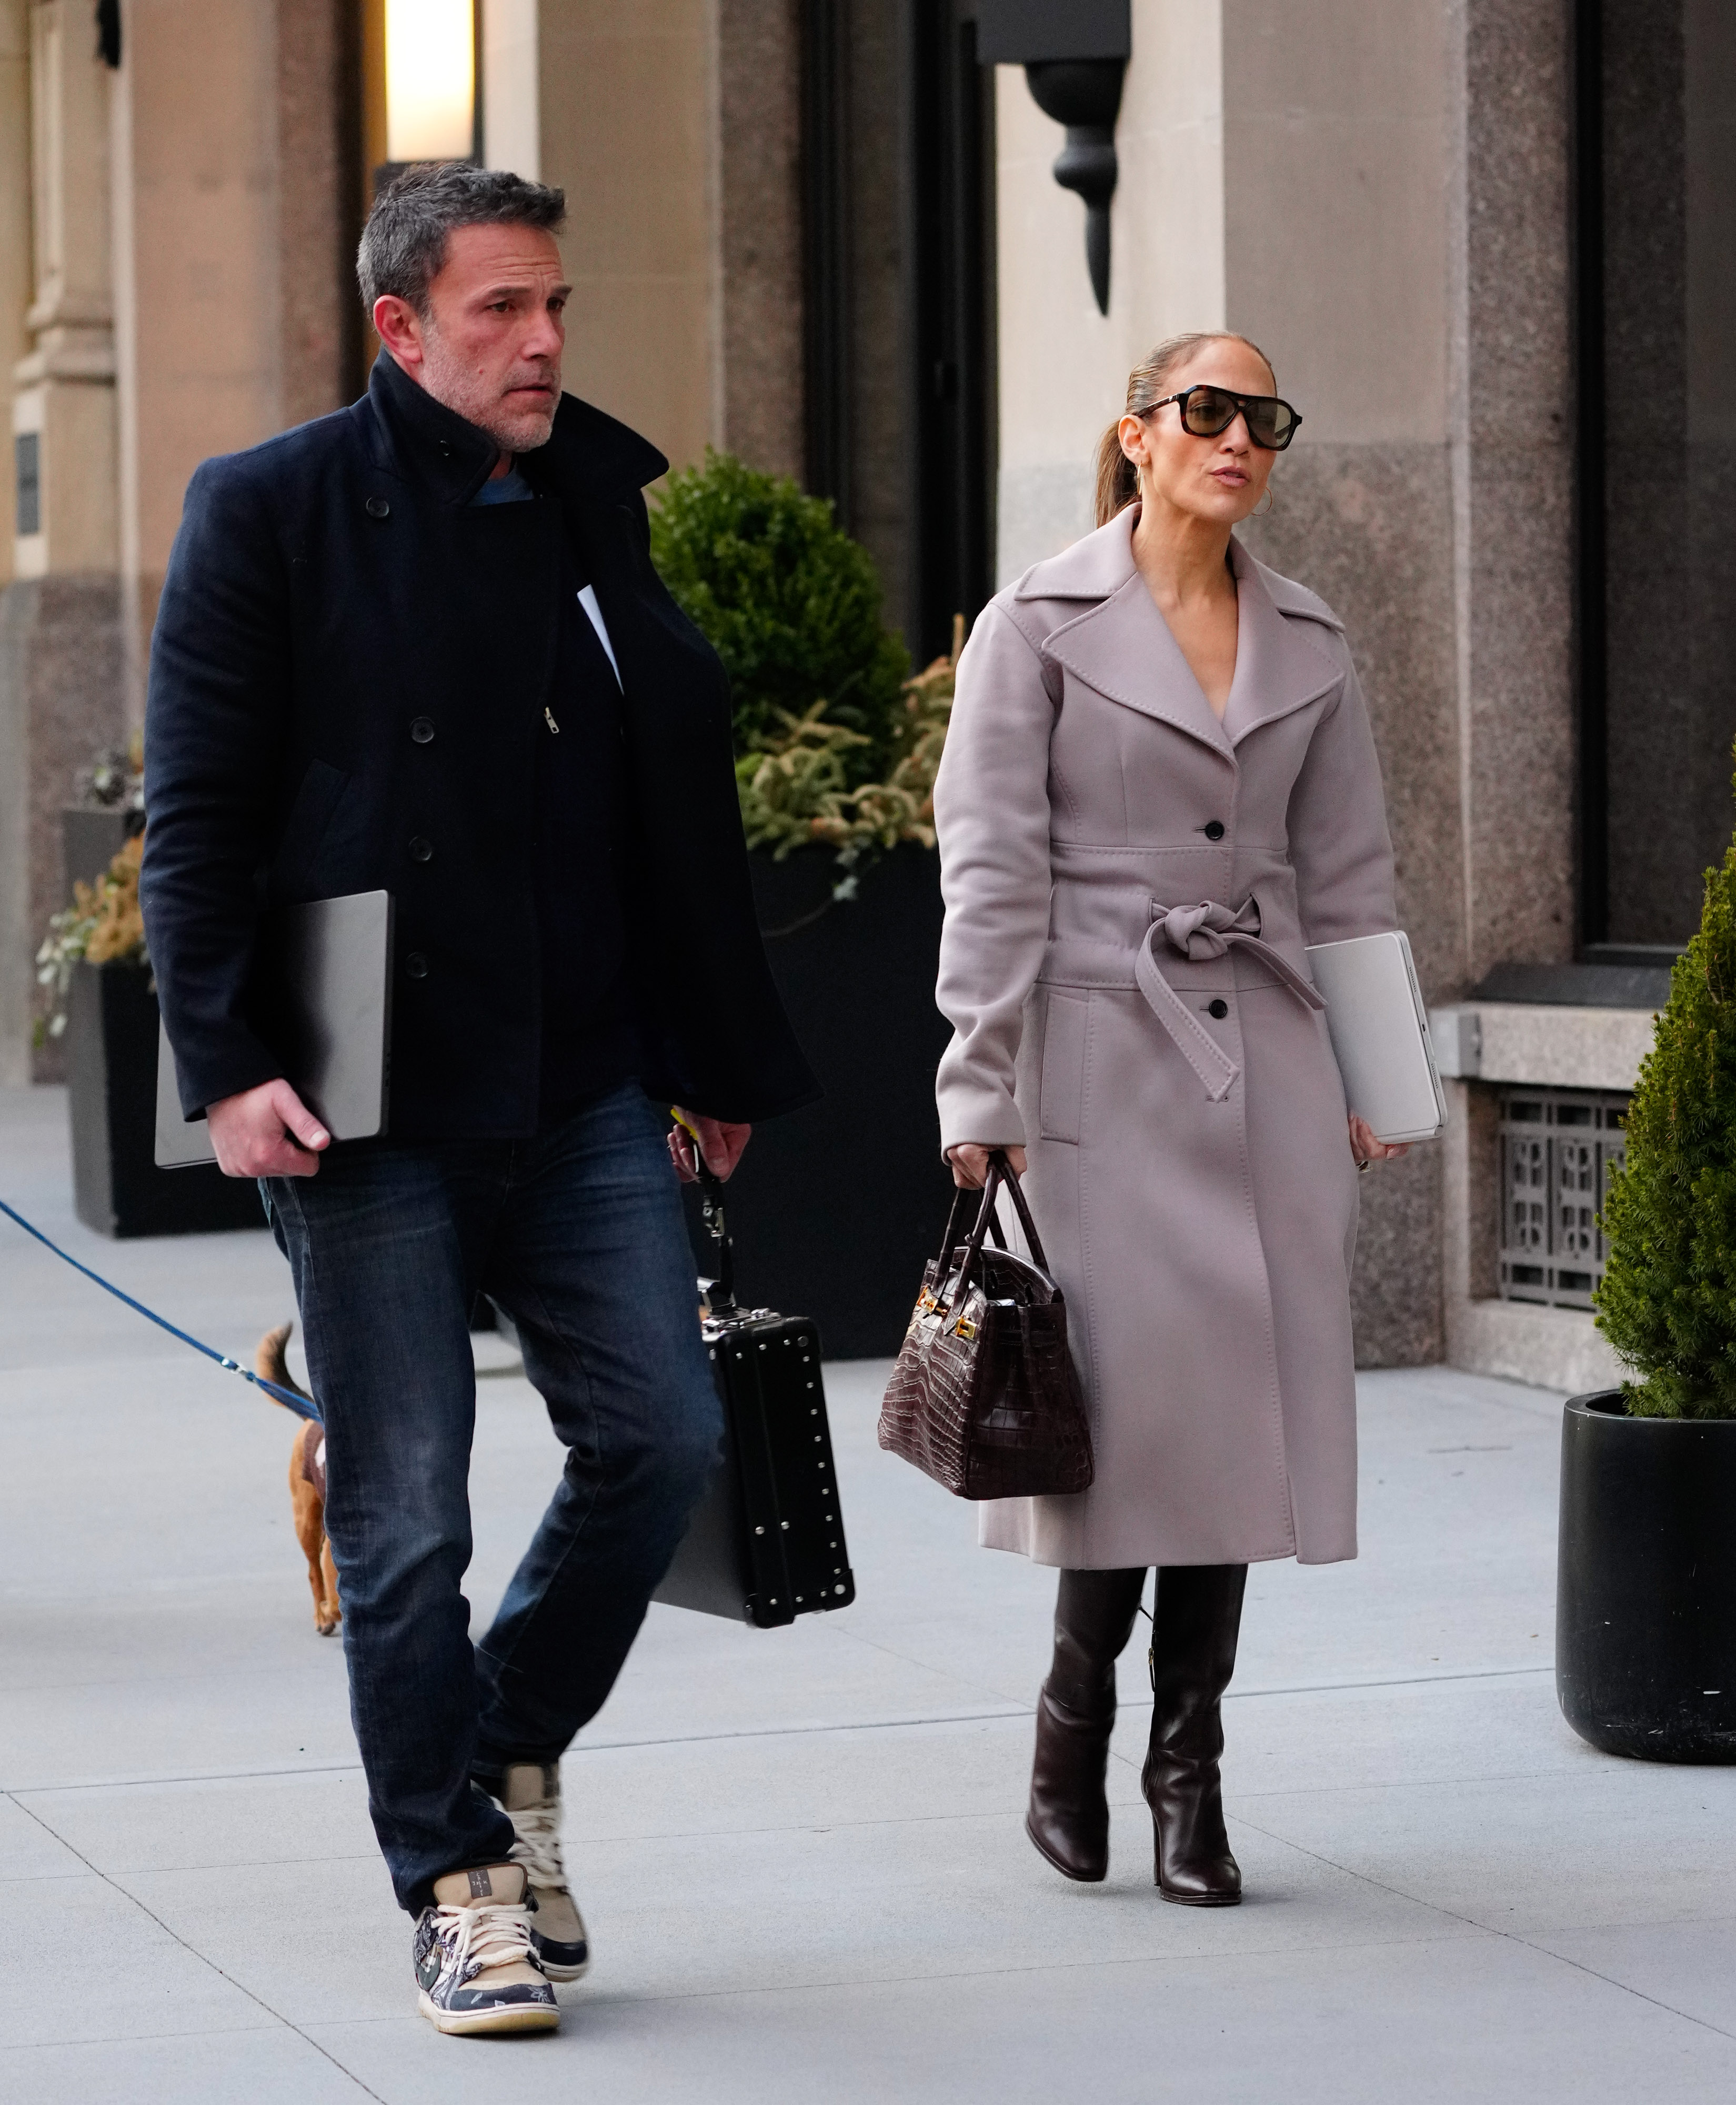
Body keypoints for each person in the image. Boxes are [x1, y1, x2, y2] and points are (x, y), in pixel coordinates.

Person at [139, 164, 816, 2036]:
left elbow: (662, 809)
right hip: (365, 1085)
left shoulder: (597, 497)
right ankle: (451, 1881)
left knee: (664, 1439)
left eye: (556, 307)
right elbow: (192, 815)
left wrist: (708, 1054)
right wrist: (229, 1064)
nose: (540, 341)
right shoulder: (270, 511)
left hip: (586, 1077)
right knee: (407, 1513)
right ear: (400, 326)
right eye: (503, 310)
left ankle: (509, 1757)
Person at [931, 332, 1407, 1906]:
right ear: (1135, 436)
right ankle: (1076, 1718)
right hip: (1098, 1064)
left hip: (1265, 1056)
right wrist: (979, 1085)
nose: (1238, 436)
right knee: (1125, 1422)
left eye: (1262, 414)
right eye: (1205, 410)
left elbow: (1346, 879)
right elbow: (991, 868)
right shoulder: (1039, 622)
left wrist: (1374, 1076)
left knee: (1238, 1426)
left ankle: (1186, 1767)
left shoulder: (1309, 636)